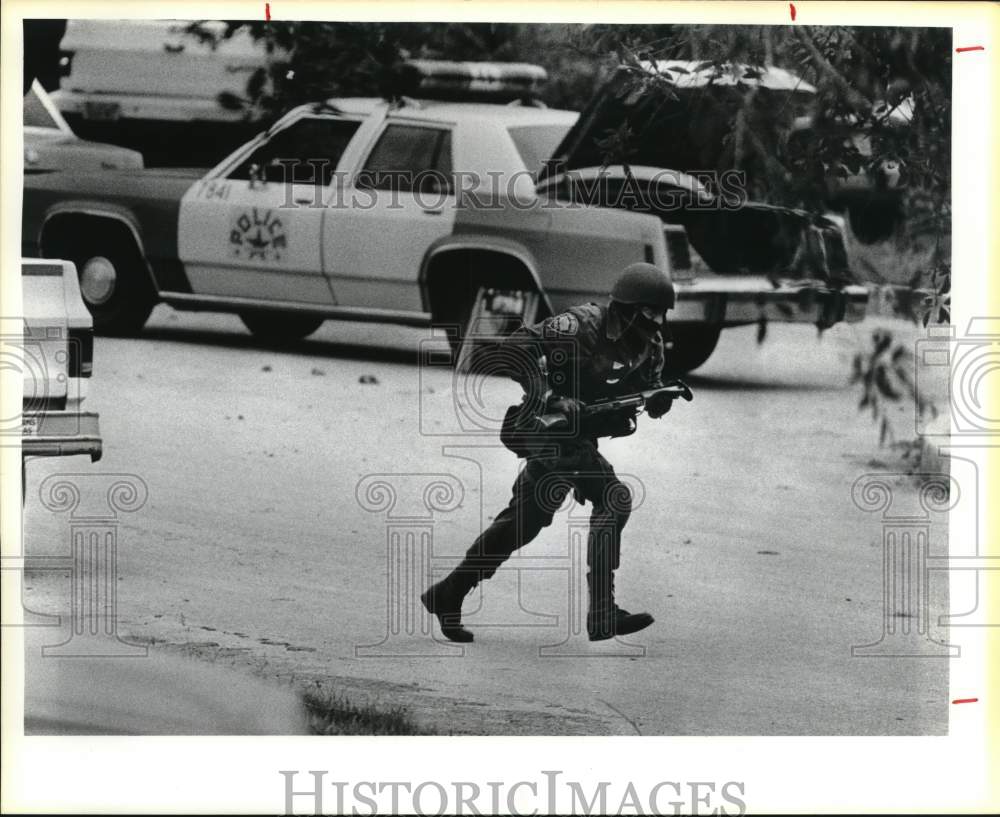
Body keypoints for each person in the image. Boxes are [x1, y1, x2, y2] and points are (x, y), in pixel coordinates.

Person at [421, 262, 679, 643]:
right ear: (626, 308)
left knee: (523, 522)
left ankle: (449, 593)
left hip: (577, 439)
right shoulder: (580, 326)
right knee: (615, 498)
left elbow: (648, 386)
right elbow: (513, 350)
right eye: (648, 312)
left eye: (661, 313)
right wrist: (549, 394)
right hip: (547, 429)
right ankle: (603, 613)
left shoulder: (650, 345)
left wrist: (657, 401)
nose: (656, 322)